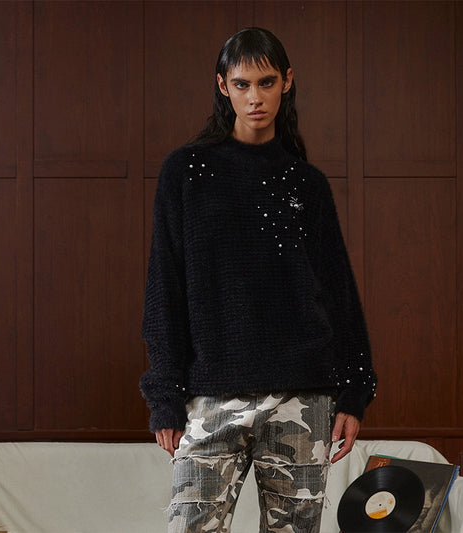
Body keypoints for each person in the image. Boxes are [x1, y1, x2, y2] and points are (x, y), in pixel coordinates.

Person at [140, 27, 377, 533]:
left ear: (286, 82)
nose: (255, 97)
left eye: (266, 83)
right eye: (242, 84)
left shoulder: (306, 184)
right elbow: (165, 287)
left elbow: (338, 292)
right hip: (212, 393)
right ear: (222, 86)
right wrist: (165, 395)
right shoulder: (186, 172)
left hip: (303, 395)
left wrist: (354, 390)